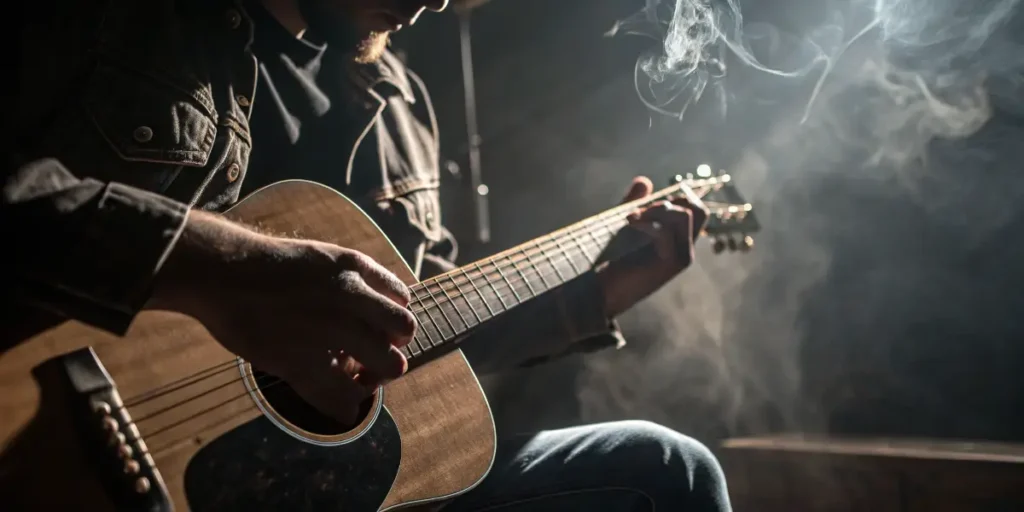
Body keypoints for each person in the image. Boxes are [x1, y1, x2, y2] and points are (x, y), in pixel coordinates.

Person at [4, 0, 732, 509]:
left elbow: (419, 329)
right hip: (53, 439)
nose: (438, 1)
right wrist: (213, 265)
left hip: (332, 489)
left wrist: (598, 295)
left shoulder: (404, 107)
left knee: (665, 470)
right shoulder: (118, 18)